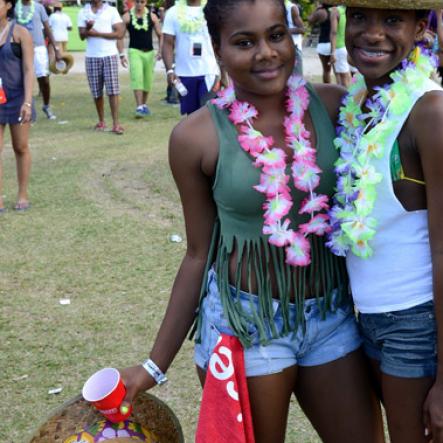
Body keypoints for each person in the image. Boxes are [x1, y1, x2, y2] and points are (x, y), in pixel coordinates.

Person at [118, 0, 385, 441]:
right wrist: (153, 364)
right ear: (218, 50)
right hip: (247, 328)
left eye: (276, 35)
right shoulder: (195, 137)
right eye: (245, 42)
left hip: (332, 317)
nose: (266, 52)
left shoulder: (336, 106)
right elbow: (197, 253)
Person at [325, 1, 443, 441]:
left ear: (419, 29)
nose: (372, 34)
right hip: (364, 318)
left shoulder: (429, 110)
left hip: (417, 323)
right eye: (360, 18)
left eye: (392, 20)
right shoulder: (358, 103)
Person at [0, 0, 34, 212]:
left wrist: (27, 102)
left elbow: (29, 69)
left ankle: (22, 193)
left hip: (18, 97)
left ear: (8, 6)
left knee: (20, 146)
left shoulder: (20, 32)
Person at [161, 0, 219, 115]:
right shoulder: (173, 12)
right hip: (184, 74)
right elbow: (167, 43)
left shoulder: (211, 9)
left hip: (209, 72)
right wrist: (169, 70)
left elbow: (219, 41)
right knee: (191, 116)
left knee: (209, 115)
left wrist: (223, 71)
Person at [78, 0, 126, 134]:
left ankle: (116, 124)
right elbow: (81, 36)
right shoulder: (83, 12)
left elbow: (119, 34)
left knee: (113, 90)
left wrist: (97, 33)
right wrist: (87, 29)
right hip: (92, 56)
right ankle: (101, 121)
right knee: (96, 91)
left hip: (109, 55)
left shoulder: (111, 10)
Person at [14, 0, 61, 120]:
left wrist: (56, 49)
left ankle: (46, 106)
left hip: (39, 47)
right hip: (20, 48)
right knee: (21, 79)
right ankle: (24, 108)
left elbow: (47, 28)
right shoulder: (15, 7)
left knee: (44, 79)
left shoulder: (39, 7)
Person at [123, 0, 162, 118]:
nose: (140, 4)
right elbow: (119, 35)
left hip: (149, 53)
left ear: (146, 3)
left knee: (148, 80)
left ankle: (143, 105)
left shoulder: (152, 16)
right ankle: (139, 106)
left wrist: (160, 51)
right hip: (134, 51)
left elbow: (161, 35)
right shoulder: (127, 17)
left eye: (142, 1)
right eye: (138, 1)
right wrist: (121, 54)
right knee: (137, 77)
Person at [308, 3, 334, 84]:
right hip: (337, 44)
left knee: (326, 70)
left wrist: (316, 9)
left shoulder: (321, 12)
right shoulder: (337, 11)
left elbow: (310, 20)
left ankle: (328, 90)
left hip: (324, 43)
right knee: (340, 72)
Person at [329, 5, 351, 87]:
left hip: (340, 47)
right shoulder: (353, 9)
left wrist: (332, 53)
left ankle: (348, 99)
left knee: (343, 78)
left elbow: (334, 32)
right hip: (351, 47)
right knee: (353, 77)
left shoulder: (335, 11)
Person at [285, 0, 305, 75]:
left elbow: (302, 29)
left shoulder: (291, 8)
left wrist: (283, 31)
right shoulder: (274, 7)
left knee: (297, 79)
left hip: (294, 48)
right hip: (282, 48)